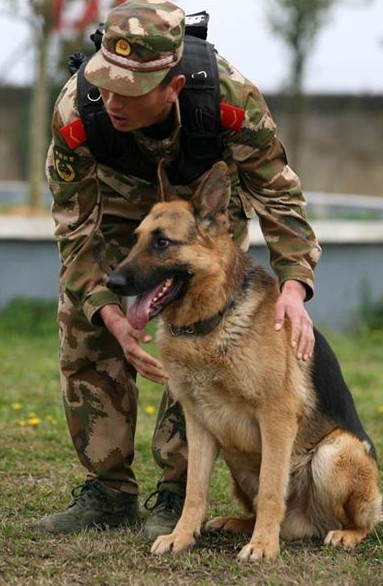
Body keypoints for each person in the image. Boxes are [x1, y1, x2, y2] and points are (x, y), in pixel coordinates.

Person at [39, 0, 321, 536]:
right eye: (106, 82)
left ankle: (173, 493)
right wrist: (109, 314)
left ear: (171, 86)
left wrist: (293, 285)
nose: (111, 100)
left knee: (200, 327)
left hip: (204, 209)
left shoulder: (230, 99)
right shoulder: (77, 111)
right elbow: (75, 232)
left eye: (131, 89)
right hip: (119, 209)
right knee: (83, 320)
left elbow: (280, 199)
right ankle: (107, 490)